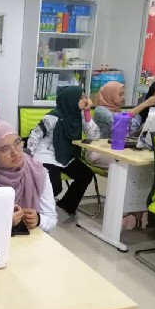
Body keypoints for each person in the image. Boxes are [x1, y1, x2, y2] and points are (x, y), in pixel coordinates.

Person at [0, 120, 57, 233]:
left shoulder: (37, 172)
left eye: (17, 143)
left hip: (30, 240)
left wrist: (38, 220)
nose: (15, 153)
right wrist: (3, 222)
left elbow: (51, 220)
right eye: (5, 149)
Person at [27, 86, 99, 216]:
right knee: (55, 186)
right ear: (71, 100)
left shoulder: (79, 115)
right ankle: (34, 209)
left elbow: (94, 136)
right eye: (81, 97)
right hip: (47, 155)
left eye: (85, 97)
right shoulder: (53, 116)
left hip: (67, 155)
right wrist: (29, 157)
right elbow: (35, 135)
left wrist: (87, 112)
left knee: (86, 174)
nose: (86, 100)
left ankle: (67, 204)